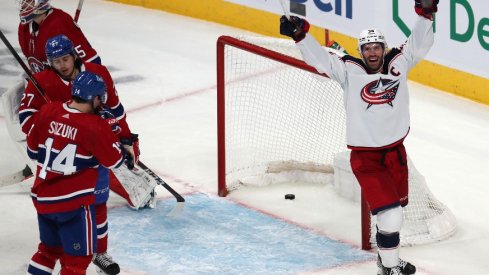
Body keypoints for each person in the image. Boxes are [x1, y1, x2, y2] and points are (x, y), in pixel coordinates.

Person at [279, 0, 438, 274]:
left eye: (376, 47)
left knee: (392, 217)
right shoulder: (349, 70)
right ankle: (389, 270)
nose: (372, 52)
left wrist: (426, 13)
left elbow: (420, 41)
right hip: (366, 160)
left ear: (383, 48)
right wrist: (300, 36)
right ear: (360, 51)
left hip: (396, 153)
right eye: (367, 48)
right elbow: (320, 59)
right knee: (391, 217)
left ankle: (388, 260)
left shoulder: (399, 61)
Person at [18, 34, 150, 275]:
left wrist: (126, 138)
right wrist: (64, 126)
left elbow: (115, 112)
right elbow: (26, 118)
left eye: (65, 59)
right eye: (56, 62)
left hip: (88, 152)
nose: (62, 66)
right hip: (71, 158)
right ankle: (84, 251)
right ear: (48, 62)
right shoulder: (41, 81)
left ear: (75, 55)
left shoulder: (98, 73)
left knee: (99, 203)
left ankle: (100, 253)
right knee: (84, 216)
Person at [26, 71, 125, 274]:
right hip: (73, 205)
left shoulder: (47, 110)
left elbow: (32, 150)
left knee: (47, 252)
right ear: (95, 97)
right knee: (77, 262)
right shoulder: (95, 126)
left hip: (42, 198)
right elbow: (115, 161)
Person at [17, 0, 100, 73]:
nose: (22, 5)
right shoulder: (24, 27)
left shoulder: (60, 23)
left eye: (27, 0)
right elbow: (35, 65)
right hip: (45, 85)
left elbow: (92, 63)